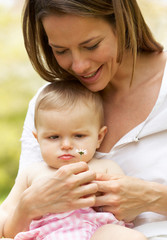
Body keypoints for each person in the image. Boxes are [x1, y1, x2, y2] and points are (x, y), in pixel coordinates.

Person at [0, 0, 167, 239]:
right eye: (61, 50)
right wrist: (27, 207)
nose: (78, 65)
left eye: (91, 45)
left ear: (122, 24)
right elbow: (11, 216)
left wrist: (154, 197)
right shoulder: (51, 104)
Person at [1, 80, 146, 240]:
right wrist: (25, 209)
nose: (66, 145)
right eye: (53, 137)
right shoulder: (32, 173)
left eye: (79, 136)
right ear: (38, 139)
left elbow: (127, 211)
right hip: (49, 235)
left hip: (97, 233)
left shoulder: (105, 168)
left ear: (99, 137)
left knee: (129, 236)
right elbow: (7, 224)